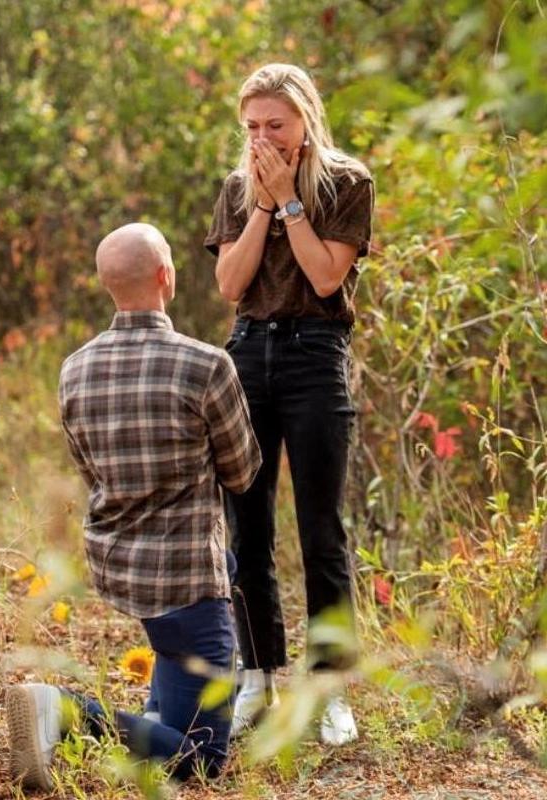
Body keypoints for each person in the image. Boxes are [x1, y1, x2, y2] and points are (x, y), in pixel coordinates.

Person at [5, 223, 261, 790]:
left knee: (186, 663)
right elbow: (243, 473)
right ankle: (64, 711)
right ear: (166, 276)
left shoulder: (74, 368)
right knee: (201, 759)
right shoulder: (207, 364)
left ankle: (152, 722)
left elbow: (88, 469)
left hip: (123, 570)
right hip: (187, 579)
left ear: (107, 286)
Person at [204, 63, 374, 744]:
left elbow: (328, 277)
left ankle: (330, 689)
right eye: (252, 126)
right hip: (247, 353)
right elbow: (230, 283)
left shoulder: (346, 182)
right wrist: (265, 205)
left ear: (305, 118)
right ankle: (257, 675)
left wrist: (294, 204)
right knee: (246, 526)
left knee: (321, 531)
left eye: (275, 123)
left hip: (314, 354)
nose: (263, 137)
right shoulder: (238, 189)